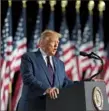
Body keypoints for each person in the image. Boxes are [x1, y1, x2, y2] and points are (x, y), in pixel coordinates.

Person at [17, 30, 74, 111]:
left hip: (52, 107)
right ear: (42, 43)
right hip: (31, 107)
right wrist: (46, 89)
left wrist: (88, 82)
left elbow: (67, 83)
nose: (56, 45)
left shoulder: (60, 64)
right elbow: (28, 78)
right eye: (53, 42)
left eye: (57, 42)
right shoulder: (29, 57)